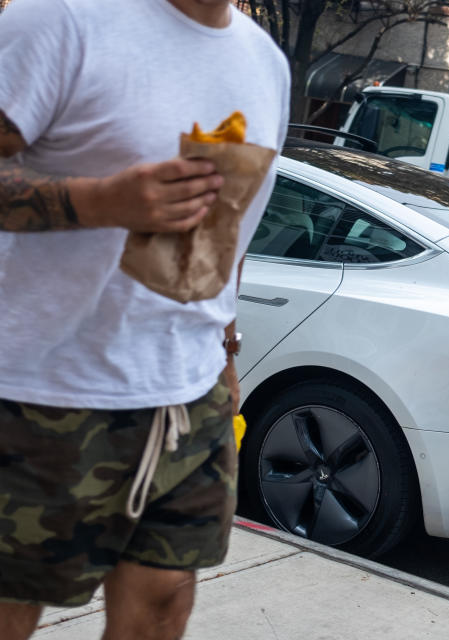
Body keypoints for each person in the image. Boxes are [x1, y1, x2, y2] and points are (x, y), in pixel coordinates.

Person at [0, 0, 290, 637]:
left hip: (190, 391)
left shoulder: (265, 63)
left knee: (163, 609)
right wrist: (100, 200)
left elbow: (229, 229)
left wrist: (229, 349)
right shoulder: (62, 20)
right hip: (35, 389)